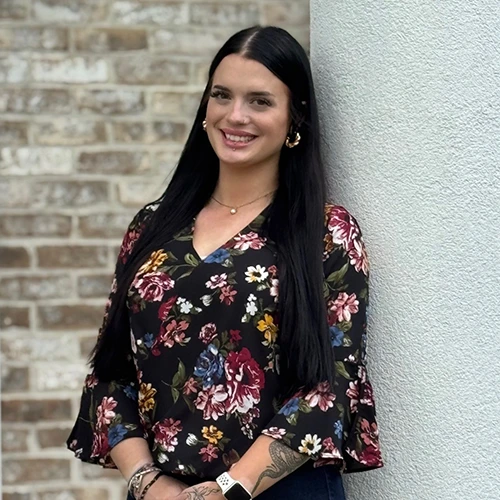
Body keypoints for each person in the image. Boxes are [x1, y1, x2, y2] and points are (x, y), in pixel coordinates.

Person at [66, 25, 383, 500]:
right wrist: (149, 484)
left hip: (282, 490)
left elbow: (331, 386)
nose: (235, 115)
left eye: (260, 101)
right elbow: (110, 372)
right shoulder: (152, 226)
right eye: (222, 95)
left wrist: (228, 488)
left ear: (295, 118)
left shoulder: (326, 233)